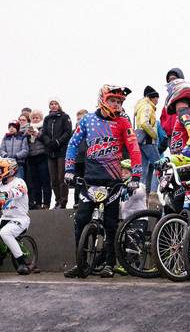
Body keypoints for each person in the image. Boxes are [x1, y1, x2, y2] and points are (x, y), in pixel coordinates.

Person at [63, 85, 142, 278]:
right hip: (90, 180)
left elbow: (133, 147)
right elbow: (73, 143)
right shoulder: (88, 119)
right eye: (113, 100)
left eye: (119, 102)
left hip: (113, 182)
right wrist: (69, 170)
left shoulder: (123, 121)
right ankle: (80, 263)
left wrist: (136, 176)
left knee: (110, 224)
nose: (116, 104)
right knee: (81, 220)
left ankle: (110, 263)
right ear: (102, 100)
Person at [42, 98, 74, 208]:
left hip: (61, 151)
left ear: (59, 105)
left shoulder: (65, 117)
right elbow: (44, 133)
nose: (53, 105)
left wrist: (58, 141)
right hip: (50, 152)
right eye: (51, 103)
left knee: (62, 177)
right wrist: (48, 142)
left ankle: (63, 201)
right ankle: (57, 200)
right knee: (54, 179)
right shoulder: (47, 119)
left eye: (55, 103)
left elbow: (68, 132)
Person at [133, 86, 162, 192]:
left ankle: (140, 192)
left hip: (141, 141)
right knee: (161, 166)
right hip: (149, 141)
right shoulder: (147, 106)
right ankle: (156, 192)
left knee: (143, 169)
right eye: (157, 98)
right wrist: (154, 135)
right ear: (153, 98)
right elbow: (144, 123)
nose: (158, 101)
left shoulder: (140, 106)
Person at [26, 110, 51, 208]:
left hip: (43, 156)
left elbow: (46, 140)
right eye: (33, 118)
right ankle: (38, 202)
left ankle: (46, 203)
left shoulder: (44, 128)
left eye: (37, 117)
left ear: (41, 118)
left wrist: (37, 134)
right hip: (32, 157)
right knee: (35, 182)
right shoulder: (28, 128)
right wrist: (27, 134)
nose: (35, 119)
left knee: (45, 181)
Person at [159, 68, 185, 140]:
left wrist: (188, 122)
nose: (171, 81)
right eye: (169, 80)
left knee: (186, 151)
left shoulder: (187, 92)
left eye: (173, 78)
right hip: (171, 135)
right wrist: (166, 128)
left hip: (184, 132)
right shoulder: (168, 99)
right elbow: (162, 116)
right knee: (174, 151)